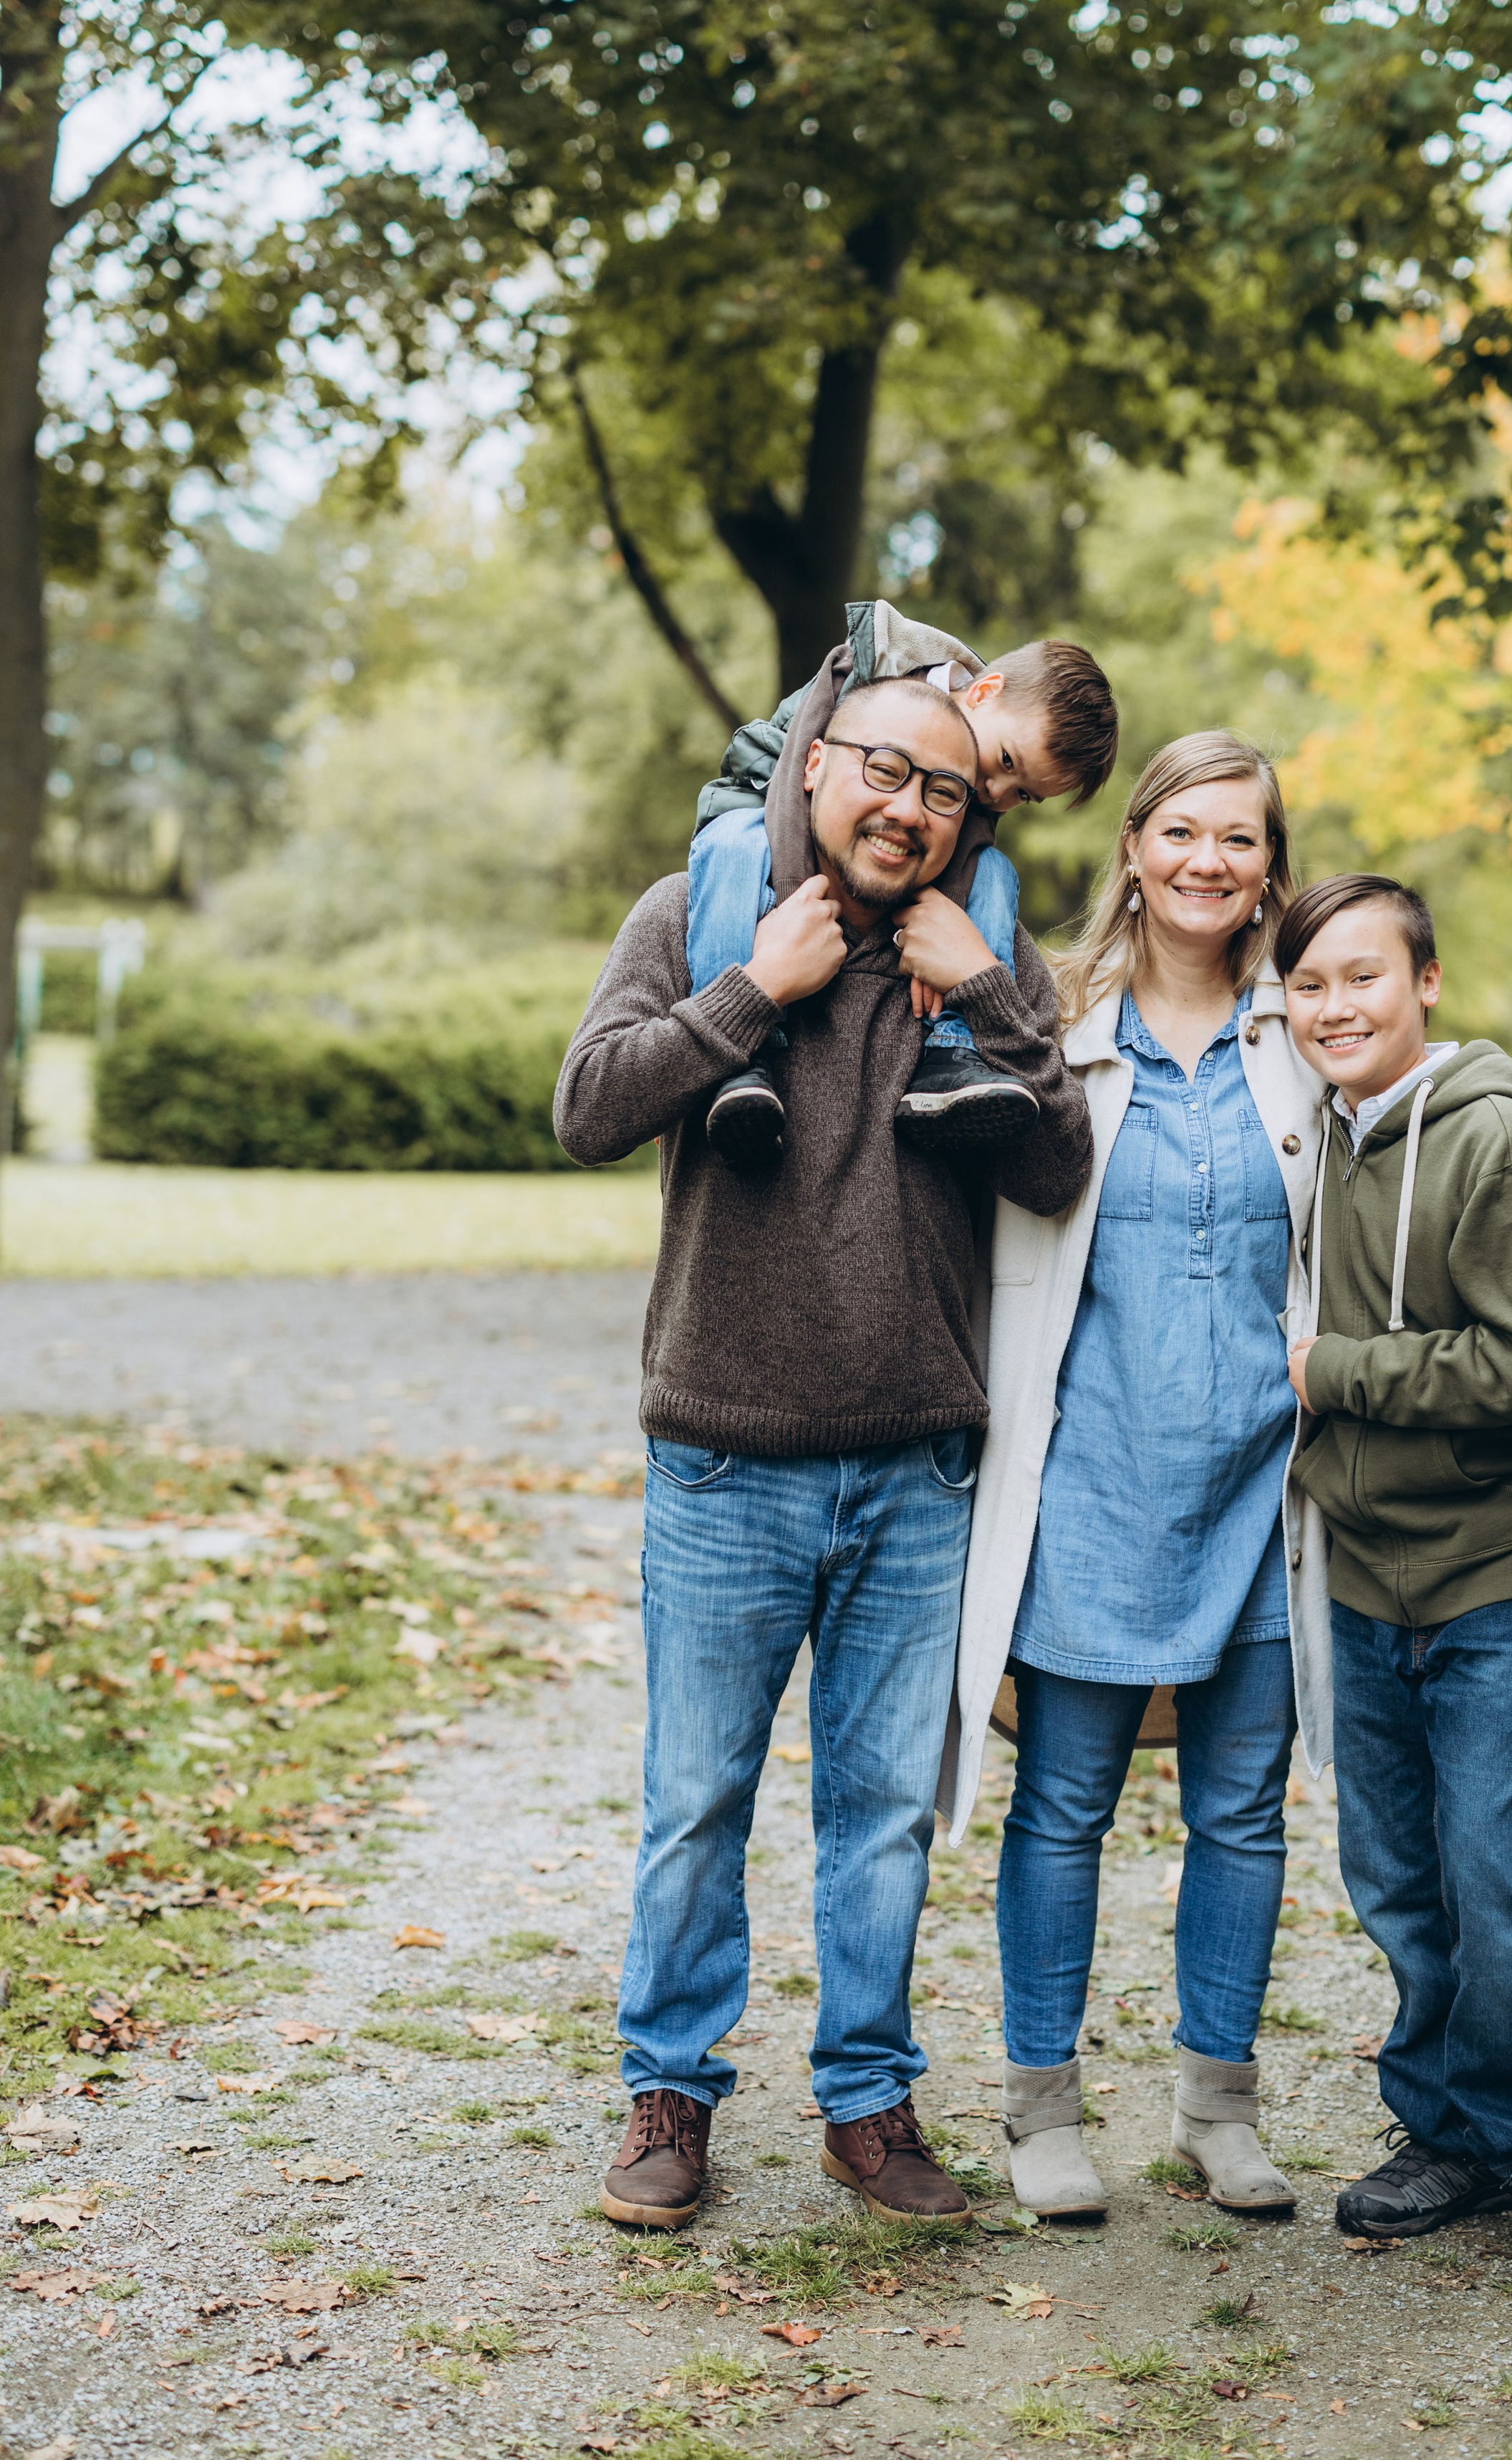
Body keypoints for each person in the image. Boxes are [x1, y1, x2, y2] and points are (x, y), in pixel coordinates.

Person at [554, 674, 1093, 2232]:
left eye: (941, 791)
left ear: (966, 814)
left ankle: (867, 2102)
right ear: (818, 765)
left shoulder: (981, 948)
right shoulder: (697, 907)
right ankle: (669, 2096)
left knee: (880, 1813)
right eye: (882, 772)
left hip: (917, 1463)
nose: (906, 808)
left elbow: (1059, 1167)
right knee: (694, 1799)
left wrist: (987, 993)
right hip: (724, 1453)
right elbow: (585, 1107)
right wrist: (746, 994)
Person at [940, 732, 1335, 2221]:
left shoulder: (1304, 1033)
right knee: (1062, 1805)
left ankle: (1213, 2108)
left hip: (1258, 1481)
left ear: (1265, 867)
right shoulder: (1056, 1022)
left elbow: (1437, 1141)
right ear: (1132, 846)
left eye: (1237, 838)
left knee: (1241, 1811)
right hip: (1088, 1482)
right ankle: (1041, 2107)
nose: (1206, 862)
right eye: (1180, 830)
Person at [1277, 873, 1512, 2290]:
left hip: (1508, 1564)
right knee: (1400, 1875)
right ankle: (1446, 2129)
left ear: (1423, 983)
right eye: (1307, 983)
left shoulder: (1482, 1136)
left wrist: (1333, 1374)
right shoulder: (1314, 1135)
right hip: (1368, 1566)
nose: (1334, 1005)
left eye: (1362, 976)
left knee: (1495, 1872)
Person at [689, 597, 1117, 1166]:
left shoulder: (974, 792)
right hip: (765, 800)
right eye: (1007, 763)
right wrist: (793, 909)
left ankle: (954, 1056)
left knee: (994, 873)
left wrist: (969, 966)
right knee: (731, 846)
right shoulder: (875, 677)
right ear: (984, 691)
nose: (995, 794)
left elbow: (1061, 1169)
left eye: (1023, 795)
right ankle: (740, 1060)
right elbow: (793, 775)